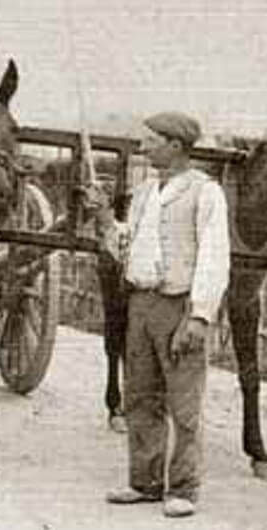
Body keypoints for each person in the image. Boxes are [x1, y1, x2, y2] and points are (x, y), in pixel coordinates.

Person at [100, 112, 230, 517]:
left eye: (153, 139)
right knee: (140, 396)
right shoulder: (143, 193)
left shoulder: (206, 193)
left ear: (176, 146)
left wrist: (199, 317)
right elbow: (125, 246)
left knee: (184, 403)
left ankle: (185, 489)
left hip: (180, 307)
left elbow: (214, 256)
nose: (145, 144)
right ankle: (145, 482)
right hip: (140, 303)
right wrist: (104, 217)